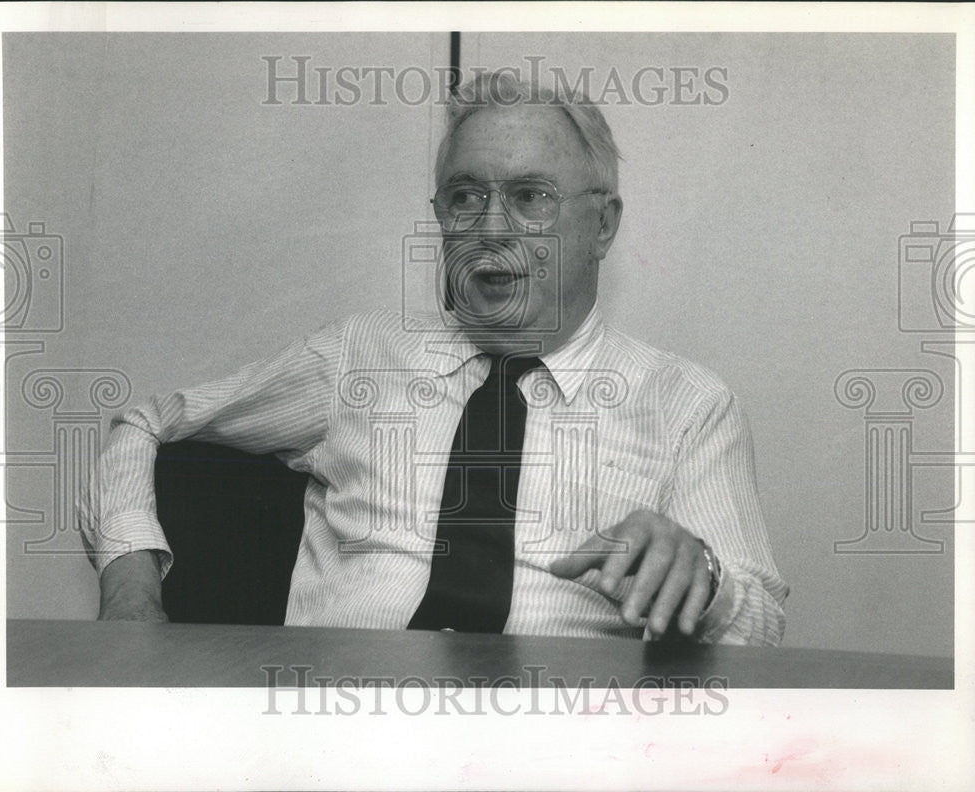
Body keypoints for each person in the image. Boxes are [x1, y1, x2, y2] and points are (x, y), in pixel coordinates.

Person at [80, 71, 788, 644]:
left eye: (530, 197)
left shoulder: (688, 404)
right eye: (464, 197)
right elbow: (145, 423)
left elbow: (761, 626)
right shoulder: (359, 355)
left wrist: (706, 578)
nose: (490, 229)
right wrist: (131, 596)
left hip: (559, 740)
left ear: (602, 225)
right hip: (338, 725)